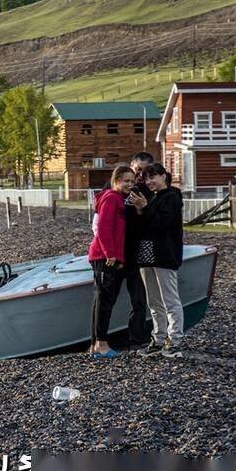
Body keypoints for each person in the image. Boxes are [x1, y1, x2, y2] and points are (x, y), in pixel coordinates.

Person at [133, 163, 186, 358]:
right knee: (154, 301)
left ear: (164, 176)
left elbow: (161, 225)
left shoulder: (172, 197)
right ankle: (159, 338)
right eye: (147, 178)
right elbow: (146, 225)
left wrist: (145, 207)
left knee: (170, 299)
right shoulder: (153, 198)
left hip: (165, 255)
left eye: (153, 177)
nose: (149, 181)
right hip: (148, 255)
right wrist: (140, 210)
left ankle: (175, 341)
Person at [88, 165, 136, 358]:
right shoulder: (111, 198)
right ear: (116, 180)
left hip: (111, 258)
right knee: (104, 301)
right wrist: (110, 255)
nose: (129, 185)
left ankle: (95, 344)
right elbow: (104, 229)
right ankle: (101, 344)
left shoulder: (119, 199)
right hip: (104, 257)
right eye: (126, 181)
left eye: (132, 182)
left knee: (103, 300)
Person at [119, 152, 155, 348]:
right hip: (116, 250)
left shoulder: (147, 191)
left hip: (138, 250)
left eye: (144, 170)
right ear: (131, 167)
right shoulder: (115, 189)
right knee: (108, 297)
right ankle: (101, 338)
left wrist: (142, 209)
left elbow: (152, 220)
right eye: (137, 170)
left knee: (139, 298)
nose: (140, 174)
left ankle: (136, 338)